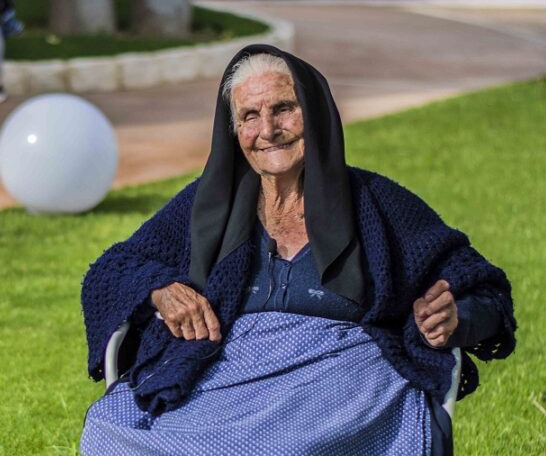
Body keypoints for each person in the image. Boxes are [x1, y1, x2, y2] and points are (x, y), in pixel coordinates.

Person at [79, 45, 517, 455]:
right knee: (107, 434)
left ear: (315, 113)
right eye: (249, 115)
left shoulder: (378, 204)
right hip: (221, 389)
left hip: (338, 394)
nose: (267, 130)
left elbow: (485, 291)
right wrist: (160, 289)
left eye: (283, 109)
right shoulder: (208, 205)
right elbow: (113, 268)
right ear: (234, 131)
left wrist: (454, 319)